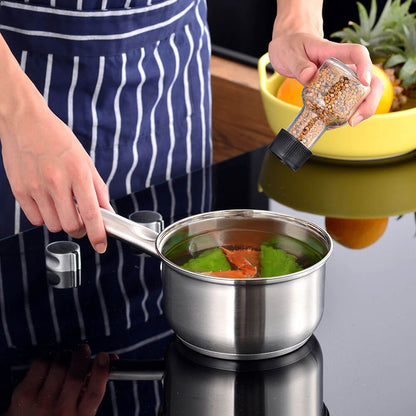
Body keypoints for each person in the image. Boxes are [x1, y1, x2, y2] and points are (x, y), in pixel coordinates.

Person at [0, 0, 384, 253]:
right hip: (21, 78)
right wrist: (16, 114)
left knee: (174, 272)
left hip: (171, 71)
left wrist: (296, 21)